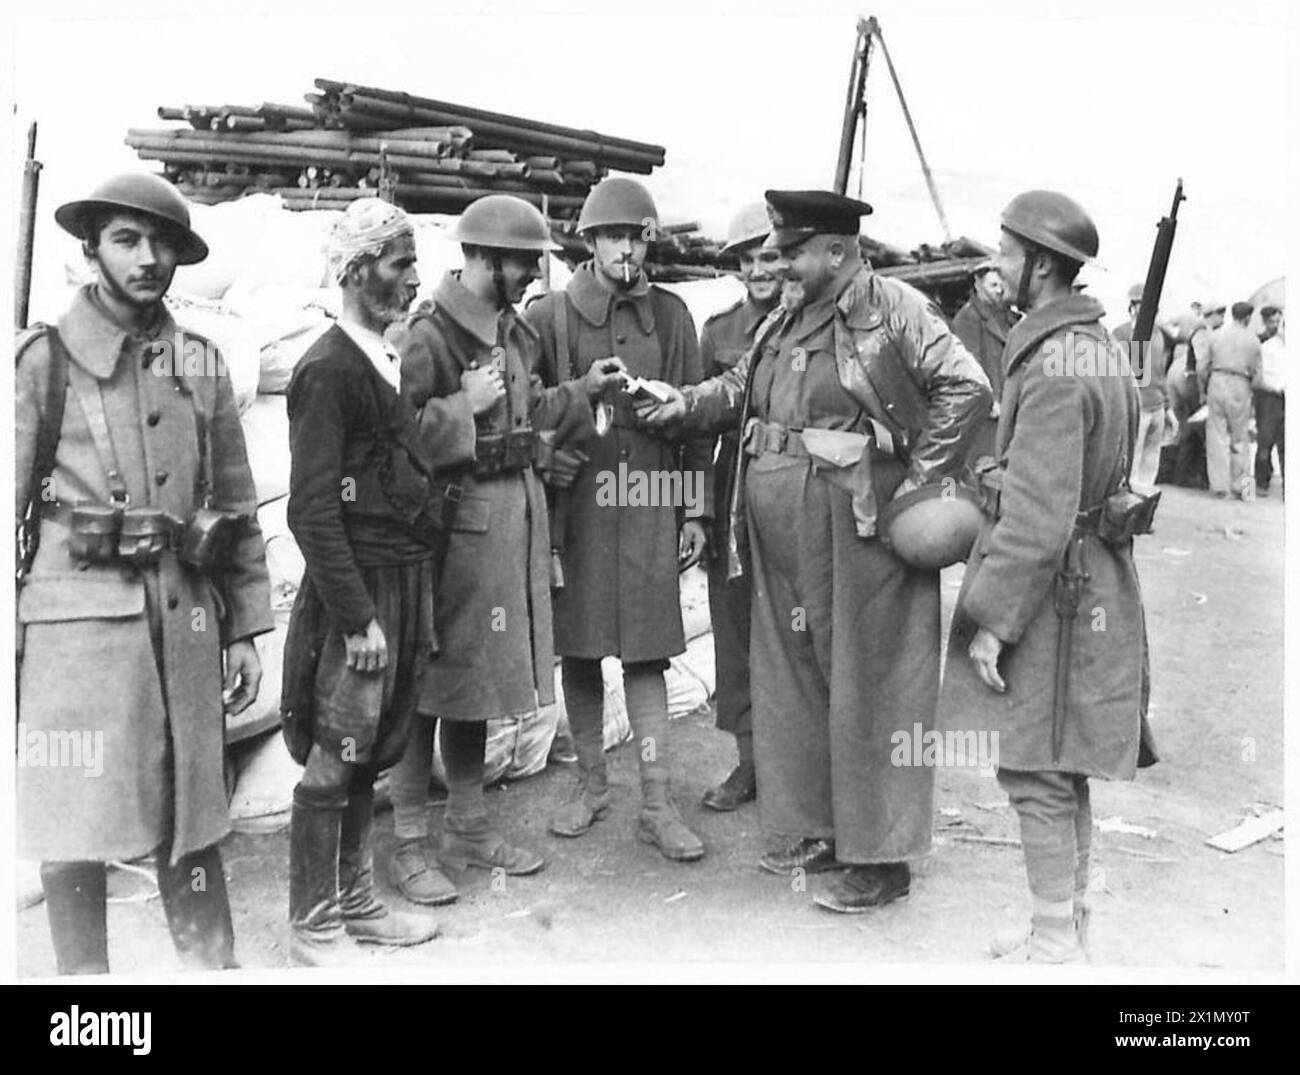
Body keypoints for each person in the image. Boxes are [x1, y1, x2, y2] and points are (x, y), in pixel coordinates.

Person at [638, 189, 990, 910]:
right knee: (795, 677)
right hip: (781, 526)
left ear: (836, 250)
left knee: (871, 684)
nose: (780, 263)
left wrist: (916, 485)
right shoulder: (788, 313)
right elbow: (742, 389)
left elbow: (968, 385)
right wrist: (683, 403)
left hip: (855, 524)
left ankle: (883, 858)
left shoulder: (892, 305)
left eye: (792, 251)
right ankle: (822, 829)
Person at [16, 173, 273, 973]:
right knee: (74, 817)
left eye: (163, 243)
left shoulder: (198, 361)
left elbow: (236, 505)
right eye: (127, 239)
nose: (149, 257)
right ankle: (82, 997)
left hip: (185, 614)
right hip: (74, 629)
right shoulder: (42, 362)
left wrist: (245, 629)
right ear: (90, 248)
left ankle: (210, 967)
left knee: (192, 811)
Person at [384, 195, 624, 903]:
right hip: (452, 534)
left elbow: (535, 412)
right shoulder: (427, 336)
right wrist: (464, 407)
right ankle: (406, 842)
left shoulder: (514, 334)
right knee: (426, 689)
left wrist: (583, 390)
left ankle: (467, 825)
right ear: (487, 257)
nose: (530, 274)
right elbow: (396, 443)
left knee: (475, 685)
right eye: (523, 261)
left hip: (510, 526)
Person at [937, 190, 1153, 962]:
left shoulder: (1058, 361)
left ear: (1041, 263)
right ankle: (1060, 921)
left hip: (1057, 591)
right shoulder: (1091, 342)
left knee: (1035, 770)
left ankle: (1055, 941)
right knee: (1065, 768)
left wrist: (994, 620)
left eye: (1007, 254)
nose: (997, 268)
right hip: (1086, 579)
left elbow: (1038, 510)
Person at [280, 198, 450, 965]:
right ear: (354, 272)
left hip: (400, 580)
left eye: (413, 263)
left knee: (373, 747)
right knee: (335, 751)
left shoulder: (381, 358)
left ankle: (355, 900)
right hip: (360, 591)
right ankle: (314, 920)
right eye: (397, 264)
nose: (412, 281)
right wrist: (356, 618)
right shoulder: (325, 369)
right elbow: (312, 511)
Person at [524, 177, 713, 862]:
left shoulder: (672, 316)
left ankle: (657, 803)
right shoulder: (550, 315)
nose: (626, 251)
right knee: (578, 649)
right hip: (577, 505)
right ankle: (591, 784)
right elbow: (529, 411)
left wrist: (695, 507)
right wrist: (578, 398)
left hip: (648, 506)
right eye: (613, 236)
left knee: (647, 655)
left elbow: (696, 417)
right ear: (589, 241)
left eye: (636, 237)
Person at [697, 202, 785, 812]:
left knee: (791, 625)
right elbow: (699, 431)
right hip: (731, 489)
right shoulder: (720, 331)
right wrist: (698, 513)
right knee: (734, 626)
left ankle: (794, 769)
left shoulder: (810, 324)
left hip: (787, 486)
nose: (759, 269)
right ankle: (750, 763)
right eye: (748, 260)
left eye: (770, 256)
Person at [1111, 283, 1173, 492]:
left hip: (1156, 406)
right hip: (1137, 406)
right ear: (1132, 306)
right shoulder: (1121, 333)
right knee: (1132, 459)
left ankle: (1144, 499)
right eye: (1140, 303)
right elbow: (1116, 373)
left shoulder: (1158, 334)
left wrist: (1168, 406)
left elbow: (1160, 372)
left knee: (1150, 460)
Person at [952, 258, 1014, 461]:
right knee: (983, 465)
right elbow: (969, 366)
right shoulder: (968, 318)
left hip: (1005, 407)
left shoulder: (1005, 317)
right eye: (993, 285)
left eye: (1001, 285)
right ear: (978, 285)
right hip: (985, 412)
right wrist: (990, 402)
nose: (999, 291)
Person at [1199, 301, 1263, 498]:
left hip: (1217, 380)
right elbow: (1258, 376)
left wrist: (1204, 389)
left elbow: (1202, 367)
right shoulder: (1253, 340)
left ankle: (1219, 487)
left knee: (1216, 435)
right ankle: (1245, 490)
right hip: (1241, 384)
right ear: (1247, 318)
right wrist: (1252, 393)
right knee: (1241, 438)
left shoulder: (1216, 335)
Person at [1254, 305, 1285, 495]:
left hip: (1284, 398)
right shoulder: (1265, 345)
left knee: (1286, 444)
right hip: (1269, 398)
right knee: (1264, 441)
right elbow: (1260, 376)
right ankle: (1258, 485)